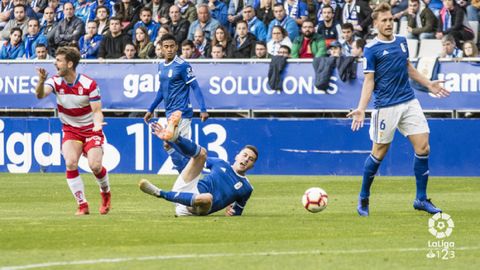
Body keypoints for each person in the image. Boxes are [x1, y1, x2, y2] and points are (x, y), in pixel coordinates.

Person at [347, 3, 450, 217]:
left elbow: (408, 68)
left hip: (409, 102)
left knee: (423, 147)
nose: (388, 24)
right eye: (383, 21)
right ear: (375, 24)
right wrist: (361, 108)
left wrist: (429, 84)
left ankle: (420, 199)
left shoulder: (402, 42)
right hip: (385, 107)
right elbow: (369, 81)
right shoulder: (371, 49)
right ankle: (364, 197)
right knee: (379, 153)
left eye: (390, 20)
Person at [34, 46, 111, 215]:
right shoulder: (54, 81)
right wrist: (40, 81)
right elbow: (40, 95)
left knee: (95, 166)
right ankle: (82, 205)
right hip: (71, 130)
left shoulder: (89, 84)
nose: (55, 63)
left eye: (59, 61)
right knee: (70, 162)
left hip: (91, 129)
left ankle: (105, 193)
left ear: (69, 64)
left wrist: (97, 125)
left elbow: (97, 111)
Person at [139, 112, 258, 216]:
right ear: (237, 156)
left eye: (251, 159)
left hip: (197, 208)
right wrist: (171, 148)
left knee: (207, 198)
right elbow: (189, 161)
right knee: (202, 154)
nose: (246, 159)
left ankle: (159, 193)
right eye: (245, 155)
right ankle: (175, 138)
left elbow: (237, 211)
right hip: (185, 189)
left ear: (252, 166)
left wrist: (231, 212)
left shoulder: (247, 188)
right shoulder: (220, 163)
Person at [144, 33, 208, 146]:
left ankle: (196, 160)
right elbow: (162, 90)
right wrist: (151, 109)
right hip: (170, 112)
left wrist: (203, 109)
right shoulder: (161, 66)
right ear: (161, 48)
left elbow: (195, 86)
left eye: (172, 46)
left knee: (178, 146)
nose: (169, 49)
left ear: (176, 47)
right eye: (166, 46)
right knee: (169, 145)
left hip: (181, 112)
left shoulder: (182, 65)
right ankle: (191, 162)